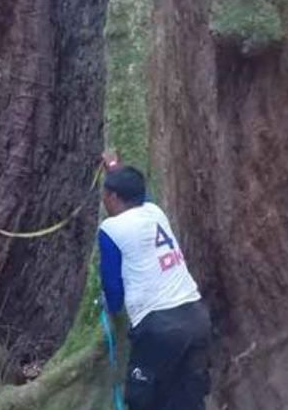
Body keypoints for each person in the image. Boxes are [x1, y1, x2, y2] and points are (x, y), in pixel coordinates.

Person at [97, 150, 211, 410]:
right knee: (188, 398)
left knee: (142, 399)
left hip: (160, 328)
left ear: (113, 197)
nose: (103, 199)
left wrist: (112, 309)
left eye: (105, 193)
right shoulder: (154, 210)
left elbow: (112, 286)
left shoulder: (111, 229)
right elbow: (140, 195)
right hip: (196, 317)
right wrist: (114, 166)